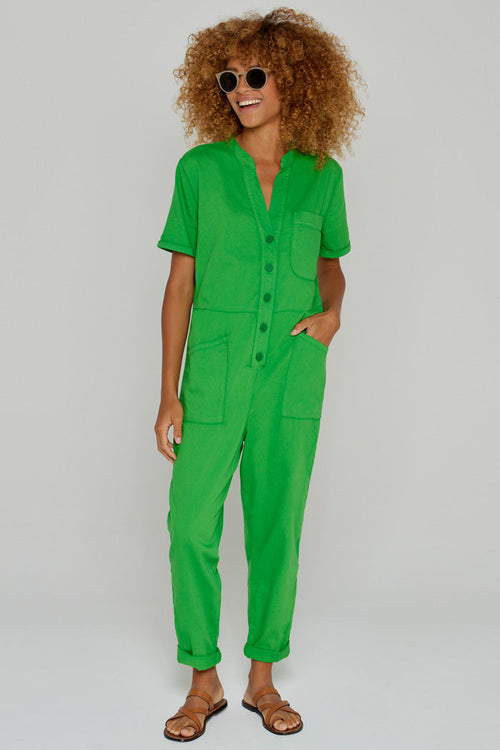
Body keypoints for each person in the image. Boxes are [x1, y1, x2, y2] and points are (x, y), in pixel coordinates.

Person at [154, 7, 365, 741]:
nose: (239, 89)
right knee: (190, 526)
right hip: (212, 376)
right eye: (227, 78)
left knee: (278, 527)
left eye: (254, 75)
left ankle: (262, 679)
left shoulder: (322, 176)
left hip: (292, 374)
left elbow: (331, 267)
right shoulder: (200, 171)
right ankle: (202, 680)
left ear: (295, 81)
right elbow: (179, 285)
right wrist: (167, 393)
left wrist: (332, 315)